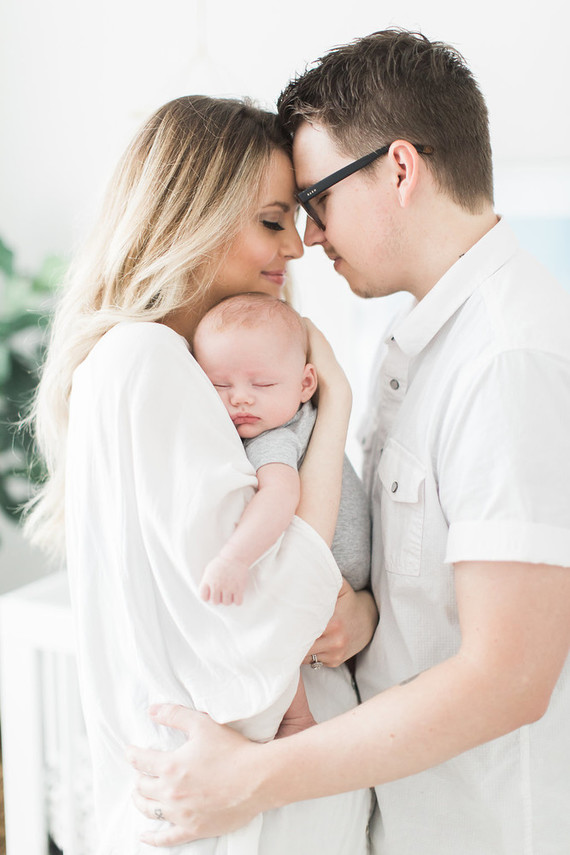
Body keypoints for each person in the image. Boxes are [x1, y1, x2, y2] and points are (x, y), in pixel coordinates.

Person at [127, 29, 570, 855]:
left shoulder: (509, 357)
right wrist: (363, 616)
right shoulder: (413, 340)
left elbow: (510, 675)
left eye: (317, 199)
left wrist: (250, 778)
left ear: (400, 169)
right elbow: (426, 593)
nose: (310, 237)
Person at [26, 95, 377, 854]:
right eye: (273, 220)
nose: (298, 247)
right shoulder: (145, 362)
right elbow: (261, 618)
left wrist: (361, 614)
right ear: (194, 214)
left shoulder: (176, 374)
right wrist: (338, 400)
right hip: (245, 817)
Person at [193, 292, 371, 736]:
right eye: (219, 385)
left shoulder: (274, 436)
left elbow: (280, 493)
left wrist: (233, 558)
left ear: (307, 383)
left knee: (265, 601)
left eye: (262, 385)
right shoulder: (303, 412)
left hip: (330, 574)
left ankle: (296, 716)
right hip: (352, 585)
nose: (241, 400)